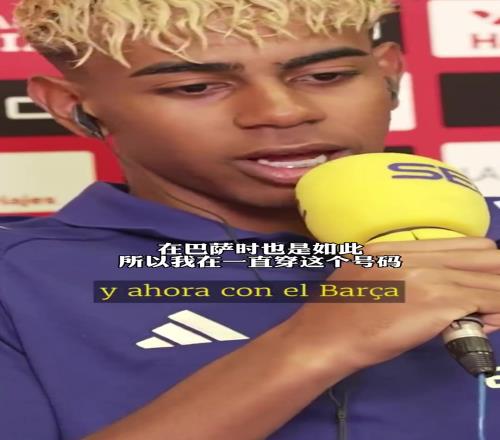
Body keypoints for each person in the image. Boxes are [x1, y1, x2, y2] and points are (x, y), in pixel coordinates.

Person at [2, 1, 500, 439]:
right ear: (72, 106)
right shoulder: (19, 280)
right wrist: (311, 347)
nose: (283, 113)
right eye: (196, 86)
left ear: (388, 73)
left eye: (327, 76)